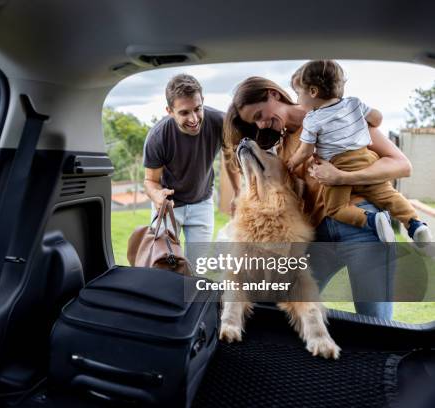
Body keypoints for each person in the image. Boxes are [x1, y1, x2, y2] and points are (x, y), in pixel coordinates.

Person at [223, 76, 411, 320]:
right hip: (319, 236)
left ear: (273, 94)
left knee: (375, 321)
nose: (261, 125)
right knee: (281, 304)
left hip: (363, 226)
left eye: (259, 114)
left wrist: (341, 177)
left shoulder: (338, 114)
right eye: (254, 122)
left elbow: (401, 165)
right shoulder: (282, 146)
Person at [286, 60, 432, 243]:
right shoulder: (354, 103)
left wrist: (291, 162)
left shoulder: (312, 120)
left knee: (336, 209)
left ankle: (371, 220)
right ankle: (414, 224)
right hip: (366, 159)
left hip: (338, 165)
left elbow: (305, 152)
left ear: (313, 92)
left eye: (298, 93)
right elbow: (377, 118)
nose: (298, 100)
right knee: (389, 196)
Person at [143, 74, 241, 244]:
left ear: (202, 100)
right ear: (170, 112)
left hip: (202, 204)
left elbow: (229, 157)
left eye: (197, 108)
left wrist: (238, 192)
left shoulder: (221, 122)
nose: (194, 119)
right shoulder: (157, 136)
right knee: (164, 266)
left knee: (197, 269)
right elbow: (150, 181)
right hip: (169, 207)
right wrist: (157, 196)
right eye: (184, 112)